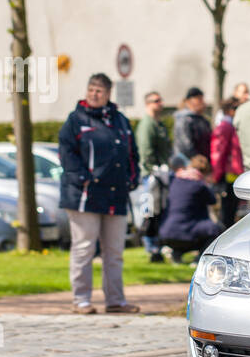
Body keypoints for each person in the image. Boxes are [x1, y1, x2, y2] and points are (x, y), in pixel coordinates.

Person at [58, 73, 140, 314]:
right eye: (91, 89)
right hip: (84, 197)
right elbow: (67, 154)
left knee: (114, 252)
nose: (94, 94)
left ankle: (115, 301)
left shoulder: (120, 121)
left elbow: (132, 154)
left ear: (108, 94)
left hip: (116, 196)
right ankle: (81, 300)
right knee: (83, 248)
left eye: (100, 91)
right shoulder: (76, 120)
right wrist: (82, 179)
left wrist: (131, 179)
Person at [157, 154, 222, 262]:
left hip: (166, 233)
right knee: (216, 230)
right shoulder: (199, 185)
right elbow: (213, 200)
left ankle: (177, 253)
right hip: (186, 233)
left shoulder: (175, 180)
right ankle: (199, 258)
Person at [134, 91, 173, 262]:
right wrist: (151, 170)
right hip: (151, 175)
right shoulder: (147, 125)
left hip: (161, 174)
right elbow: (145, 150)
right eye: (156, 101)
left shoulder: (159, 124)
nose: (161, 103)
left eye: (161, 100)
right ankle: (150, 246)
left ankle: (158, 243)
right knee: (150, 210)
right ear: (148, 103)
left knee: (160, 210)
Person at [210, 97, 245, 226]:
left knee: (231, 213)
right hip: (226, 177)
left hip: (232, 175)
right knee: (226, 214)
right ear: (230, 111)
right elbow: (218, 154)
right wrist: (217, 176)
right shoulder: (225, 127)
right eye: (237, 108)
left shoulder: (230, 126)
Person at [172, 87, 212, 161]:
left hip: (203, 163)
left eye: (202, 99)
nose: (202, 102)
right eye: (199, 99)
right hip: (187, 163)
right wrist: (197, 158)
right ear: (188, 101)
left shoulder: (202, 120)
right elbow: (185, 144)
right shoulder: (184, 119)